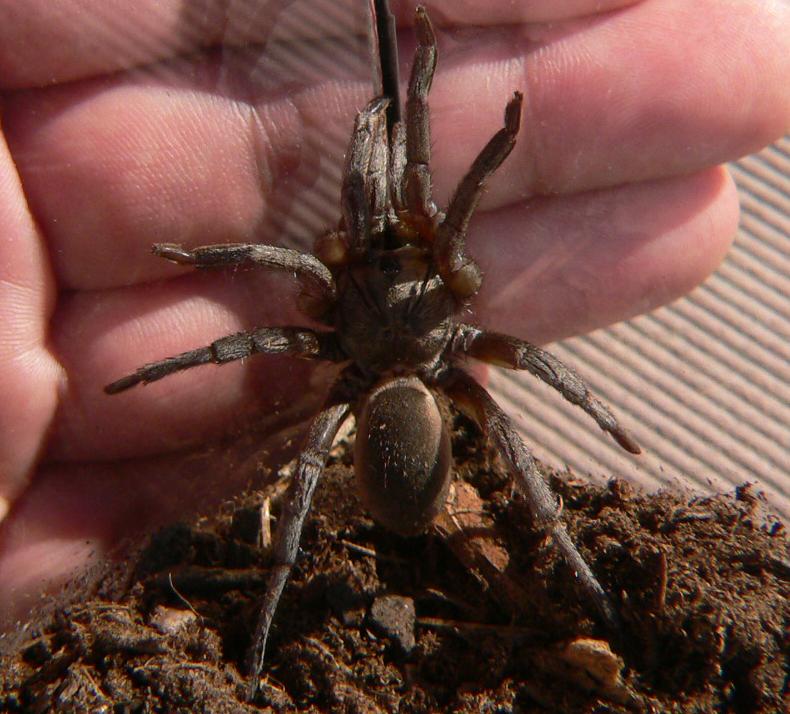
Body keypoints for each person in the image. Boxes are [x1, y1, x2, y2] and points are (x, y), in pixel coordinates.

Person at [0, 0, 787, 623]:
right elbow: (449, 207)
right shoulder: (437, 275)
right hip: (407, 384)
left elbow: (432, 215)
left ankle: (553, 564)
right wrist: (490, 143)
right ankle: (294, 591)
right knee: (404, 367)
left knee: (342, 404)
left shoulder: (345, 317)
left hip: (382, 386)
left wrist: (488, 139)